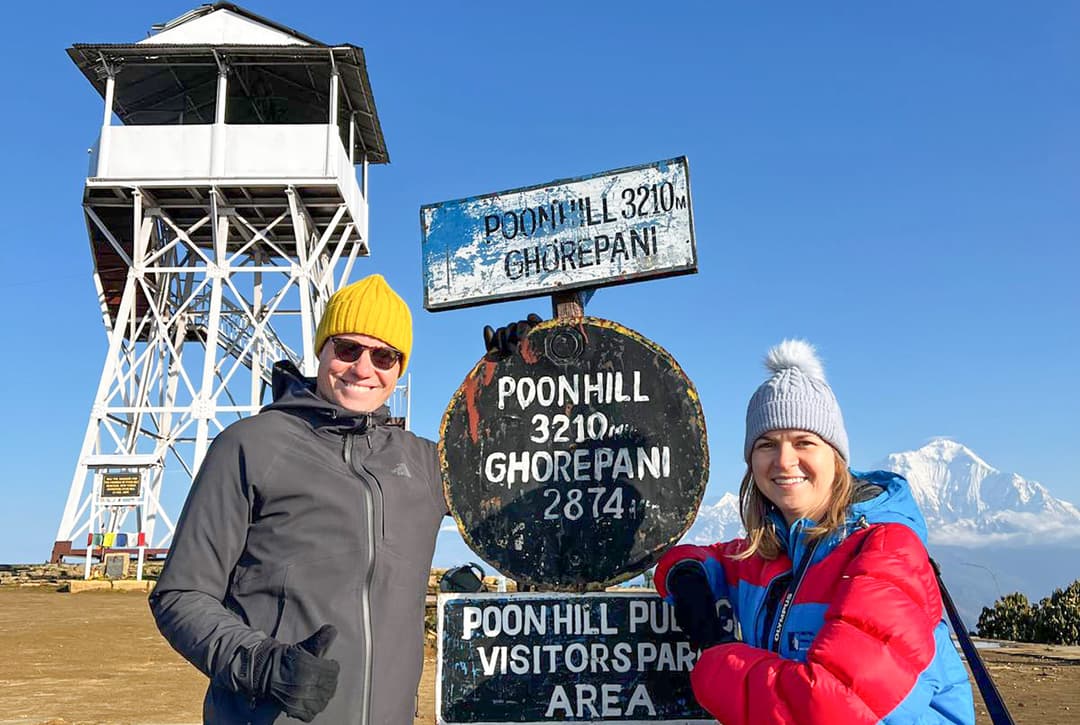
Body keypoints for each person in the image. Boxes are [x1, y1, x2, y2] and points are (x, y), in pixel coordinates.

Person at [150, 274, 449, 723]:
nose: (363, 369)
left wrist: (514, 370)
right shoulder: (251, 445)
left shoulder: (427, 464)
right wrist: (260, 664)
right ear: (322, 350)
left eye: (384, 356)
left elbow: (527, 481)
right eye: (348, 349)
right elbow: (181, 594)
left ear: (399, 368)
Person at [655, 339, 975, 724]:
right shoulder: (772, 553)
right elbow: (707, 558)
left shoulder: (887, 552)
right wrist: (687, 575)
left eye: (804, 442)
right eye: (766, 444)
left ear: (835, 457)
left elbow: (829, 709)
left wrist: (714, 659)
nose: (785, 460)